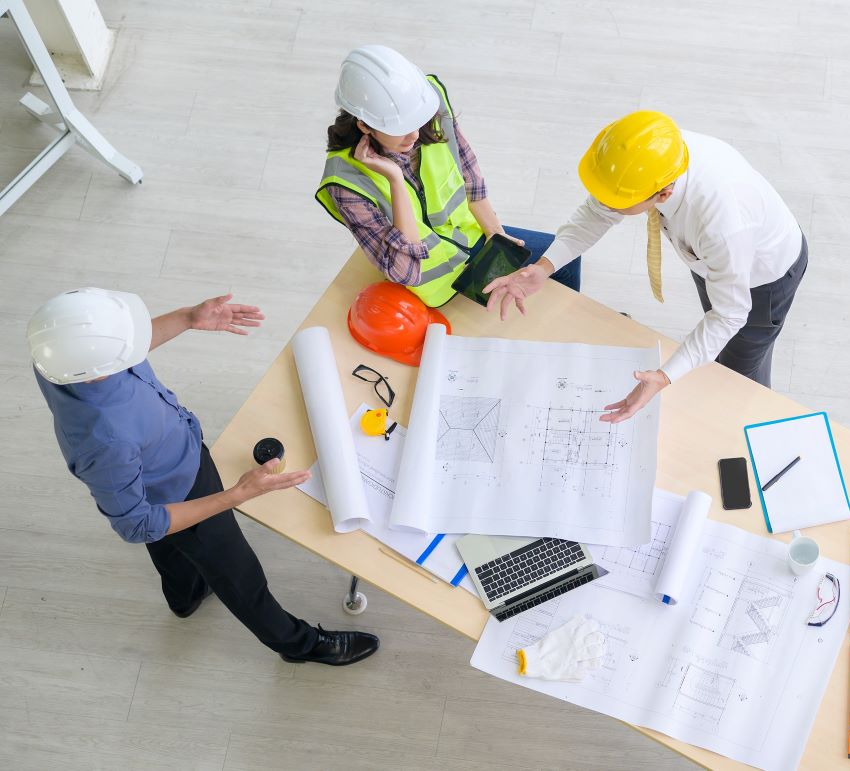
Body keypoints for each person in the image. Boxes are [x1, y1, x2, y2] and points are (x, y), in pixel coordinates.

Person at [27, 287, 380, 667]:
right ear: (97, 369)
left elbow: (127, 346)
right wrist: (237, 495)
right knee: (242, 578)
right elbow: (137, 525)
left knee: (170, 550)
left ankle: (186, 598)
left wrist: (187, 318)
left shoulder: (59, 355)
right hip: (180, 497)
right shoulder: (105, 442)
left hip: (174, 460)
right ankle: (299, 645)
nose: (136, 341)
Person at [484, 111, 807, 421]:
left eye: (616, 202)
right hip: (709, 260)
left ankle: (742, 423)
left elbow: (730, 314)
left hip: (763, 279)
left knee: (739, 372)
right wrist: (544, 266)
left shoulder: (720, 225)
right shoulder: (650, 156)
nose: (604, 205)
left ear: (663, 194)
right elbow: (596, 213)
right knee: (716, 343)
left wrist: (665, 375)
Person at [316, 44, 581, 308]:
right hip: (439, 287)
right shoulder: (345, 183)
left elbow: (469, 176)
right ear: (364, 124)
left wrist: (497, 236)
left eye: (417, 121)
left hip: (476, 241)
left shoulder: (428, 102)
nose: (415, 134)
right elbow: (406, 270)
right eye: (401, 127)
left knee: (566, 260)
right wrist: (395, 179)